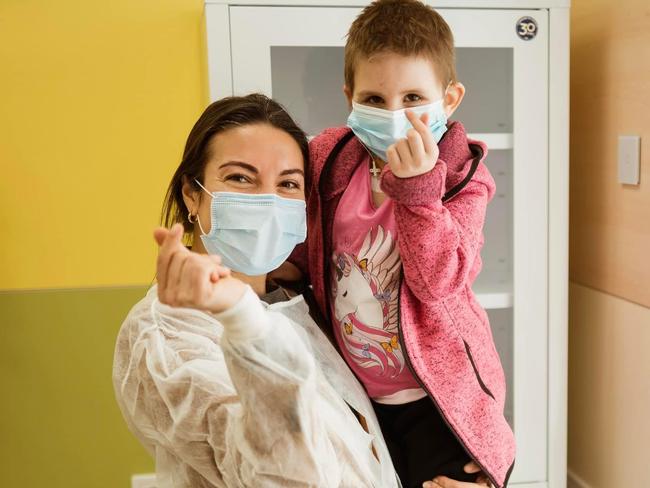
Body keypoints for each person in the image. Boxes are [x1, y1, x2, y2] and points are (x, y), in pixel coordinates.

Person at [112, 94, 490, 488]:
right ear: (193, 193)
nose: (267, 200)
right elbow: (285, 476)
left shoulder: (296, 301)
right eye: (240, 177)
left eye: (288, 183)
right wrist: (240, 316)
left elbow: (359, 445)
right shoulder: (165, 337)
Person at [275, 1, 516, 487]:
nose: (394, 115)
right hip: (353, 396)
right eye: (374, 99)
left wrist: (419, 190)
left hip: (438, 403)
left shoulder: (464, 178)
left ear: (449, 99)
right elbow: (300, 252)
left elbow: (438, 283)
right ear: (349, 96)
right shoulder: (326, 157)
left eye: (412, 97)